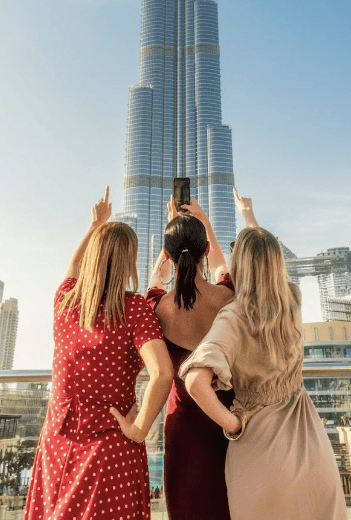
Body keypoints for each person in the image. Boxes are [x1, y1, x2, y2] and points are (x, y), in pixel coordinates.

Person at [180, 206, 348, 520]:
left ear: (240, 264)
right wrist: (249, 219)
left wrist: (232, 424)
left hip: (261, 458)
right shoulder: (292, 300)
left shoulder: (233, 316)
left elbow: (195, 381)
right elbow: (261, 257)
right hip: (312, 453)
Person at [24, 187, 173, 520]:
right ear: (129, 262)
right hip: (110, 451)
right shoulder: (133, 310)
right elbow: (163, 372)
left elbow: (74, 265)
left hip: (56, 443)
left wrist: (95, 224)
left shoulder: (64, 300)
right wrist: (139, 429)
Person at [122, 188, 254, 520]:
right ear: (205, 249)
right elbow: (221, 264)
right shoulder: (227, 296)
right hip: (228, 422)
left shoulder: (155, 304)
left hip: (182, 429)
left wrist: (171, 235)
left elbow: (157, 277)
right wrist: (205, 220)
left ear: (167, 254)